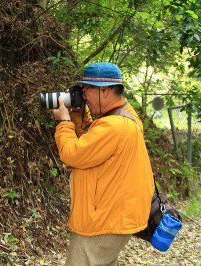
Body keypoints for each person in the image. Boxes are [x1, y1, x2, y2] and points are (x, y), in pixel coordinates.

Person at [51, 62, 154, 266]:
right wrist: (79, 115)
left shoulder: (115, 126)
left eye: (86, 89)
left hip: (103, 222)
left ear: (104, 90)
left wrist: (64, 121)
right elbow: (93, 142)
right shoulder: (126, 115)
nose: (84, 95)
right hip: (115, 217)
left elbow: (73, 154)